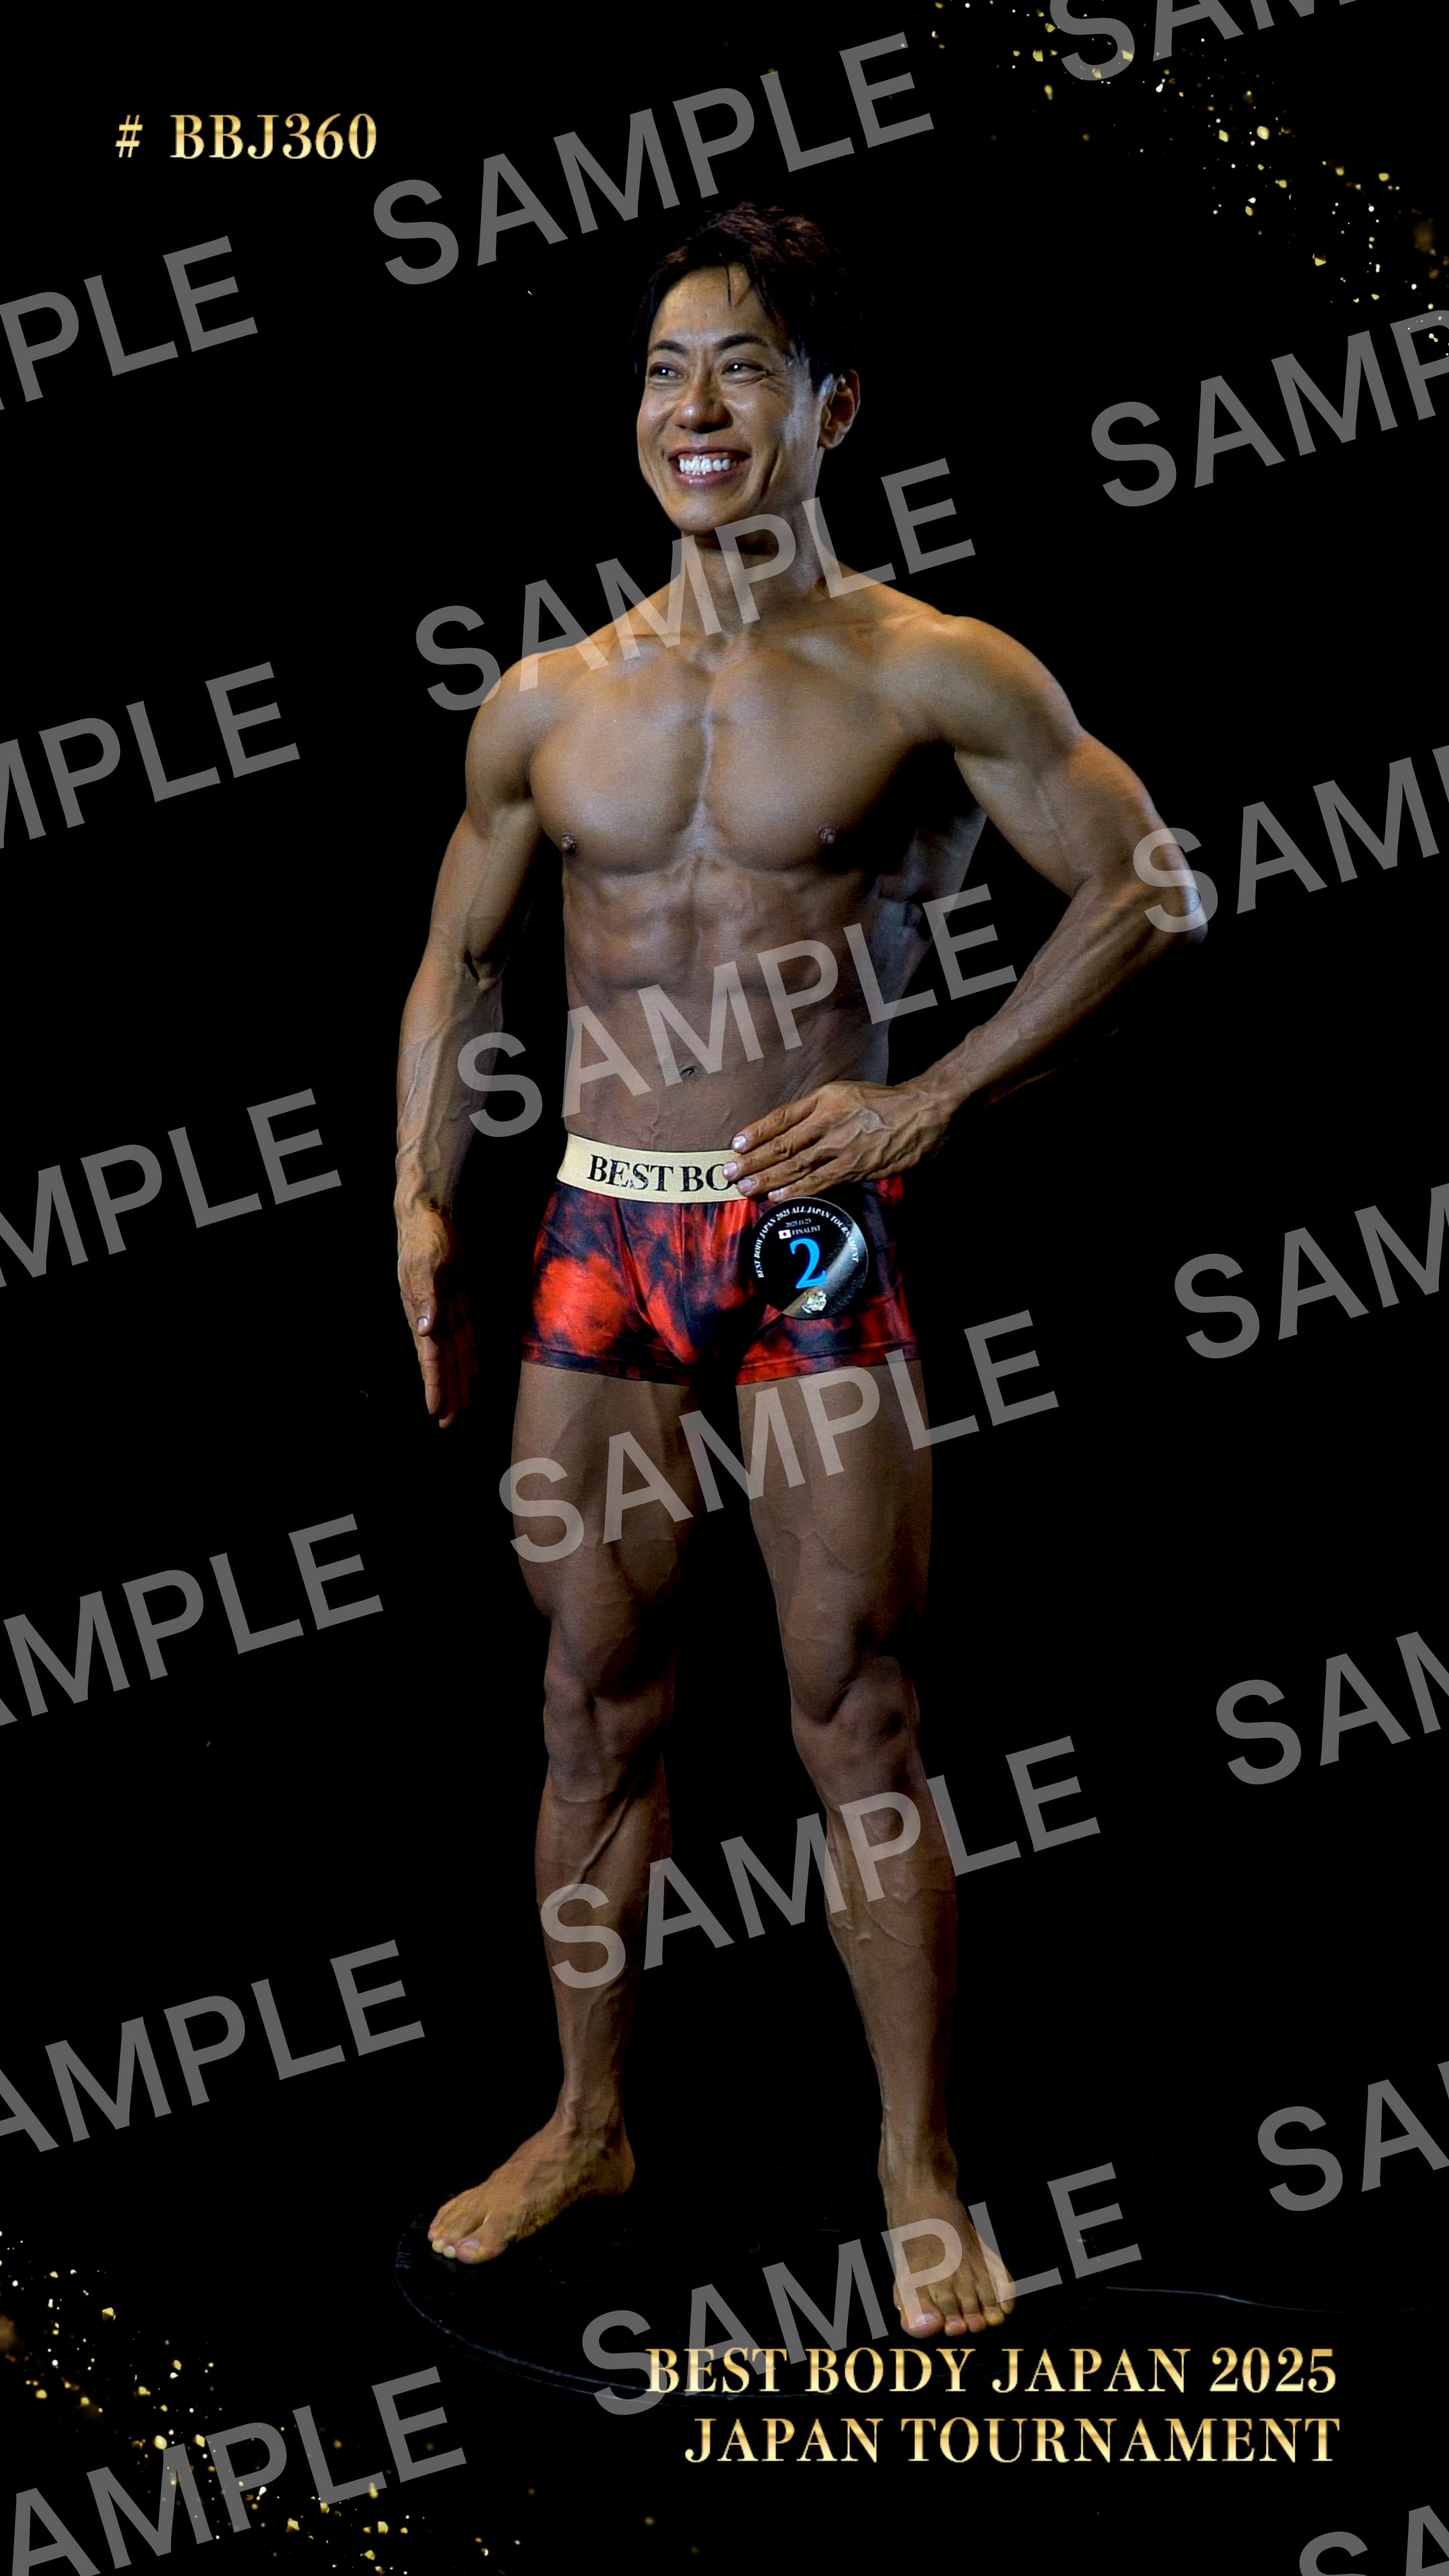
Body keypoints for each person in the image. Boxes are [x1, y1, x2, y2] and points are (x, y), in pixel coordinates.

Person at [394, 205, 1203, 2341]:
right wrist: (416, 1207)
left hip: (816, 1223)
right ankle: (588, 2123)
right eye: (667, 370)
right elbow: (460, 963)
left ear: (832, 410)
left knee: (860, 1706)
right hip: (602, 1226)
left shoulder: (932, 668)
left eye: (742, 367)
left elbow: (1148, 889)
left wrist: (933, 1099)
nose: (697, 409)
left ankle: (918, 2173)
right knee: (588, 1704)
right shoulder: (548, 701)